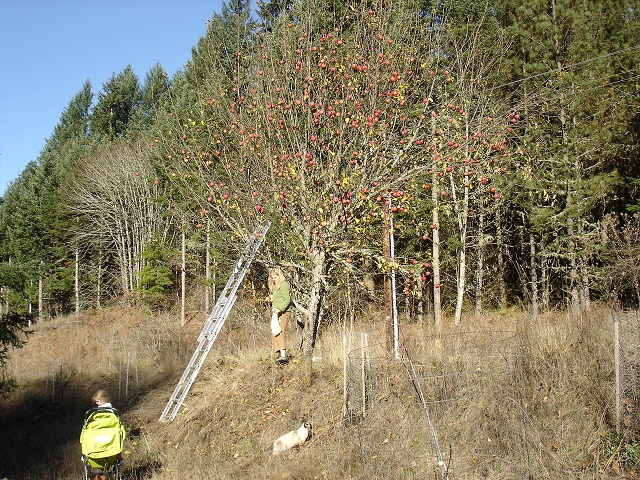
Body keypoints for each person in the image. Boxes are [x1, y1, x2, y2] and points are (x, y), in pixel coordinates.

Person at [267, 267, 292, 365]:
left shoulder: (284, 284)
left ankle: (283, 355)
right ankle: (278, 354)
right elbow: (278, 298)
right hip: (276, 313)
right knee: (274, 332)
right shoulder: (275, 287)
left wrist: (280, 309)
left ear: (279, 276)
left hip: (284, 312)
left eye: (275, 277)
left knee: (280, 331)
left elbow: (287, 299)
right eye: (272, 278)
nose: (274, 279)